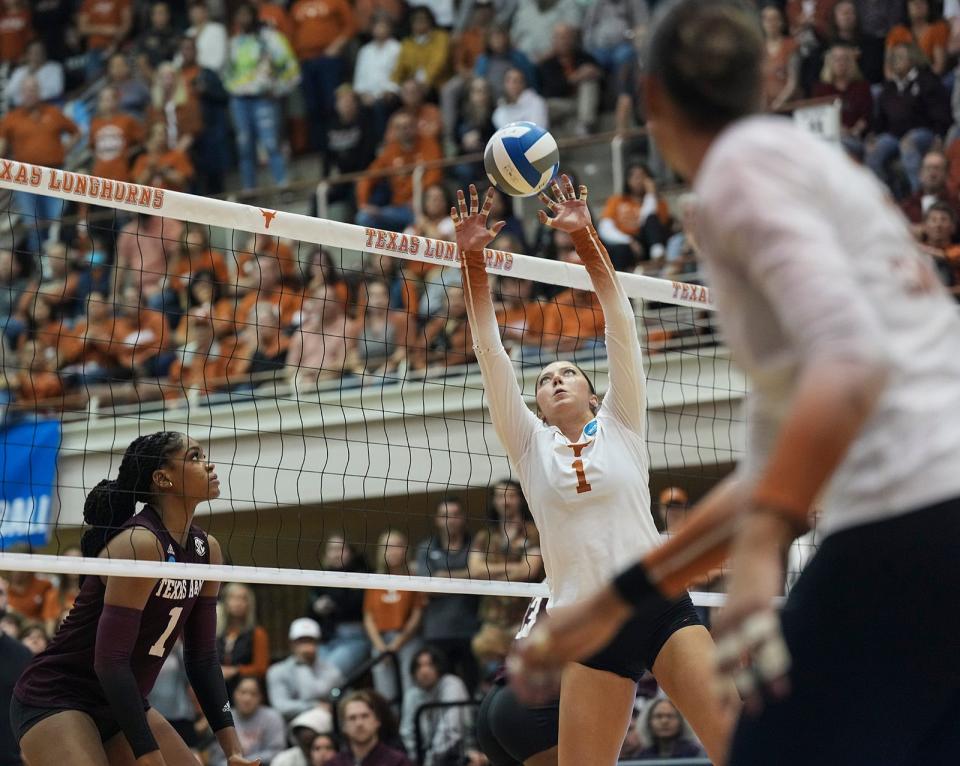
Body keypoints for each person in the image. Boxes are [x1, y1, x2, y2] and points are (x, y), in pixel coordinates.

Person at [511, 3, 960, 765]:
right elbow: (766, 467)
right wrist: (636, 594)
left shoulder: (736, 179)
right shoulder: (815, 166)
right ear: (771, 78)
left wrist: (752, 551)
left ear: (650, 99)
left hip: (907, 515)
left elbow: (848, 363)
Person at [451, 181, 733, 766]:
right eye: (544, 379)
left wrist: (583, 235)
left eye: (567, 373)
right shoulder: (529, 447)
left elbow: (618, 320)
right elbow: (489, 350)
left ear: (591, 388)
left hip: (657, 606)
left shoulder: (623, 421)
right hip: (588, 627)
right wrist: (472, 258)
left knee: (740, 743)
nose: (554, 380)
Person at [10, 431, 259, 766]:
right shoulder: (140, 544)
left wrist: (233, 750)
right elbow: (108, 663)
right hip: (60, 694)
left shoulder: (206, 550)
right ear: (163, 479)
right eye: (195, 457)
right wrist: (147, 753)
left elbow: (202, 658)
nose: (209, 464)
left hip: (123, 701)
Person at [224, 2, 300, 190]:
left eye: (246, 15)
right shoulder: (234, 43)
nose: (243, 19)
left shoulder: (270, 39)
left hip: (264, 98)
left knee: (271, 142)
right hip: (240, 100)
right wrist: (232, 89)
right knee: (244, 146)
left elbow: (291, 68)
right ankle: (249, 190)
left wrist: (279, 89)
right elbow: (226, 72)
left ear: (254, 16)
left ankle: (283, 185)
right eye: (239, 15)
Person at [414, 497, 480, 692]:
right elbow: (427, 588)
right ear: (437, 519)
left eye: (455, 515)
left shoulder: (475, 544)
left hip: (471, 629)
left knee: (472, 687)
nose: (450, 520)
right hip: (437, 631)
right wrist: (466, 578)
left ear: (463, 518)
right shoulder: (426, 548)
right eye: (444, 515)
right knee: (442, 688)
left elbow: (481, 576)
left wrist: (444, 576)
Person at [363, 529, 425, 704]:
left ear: (405, 549)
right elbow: (368, 618)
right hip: (381, 638)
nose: (392, 551)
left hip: (407, 638)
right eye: (388, 546)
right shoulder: (374, 580)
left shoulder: (413, 578)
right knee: (383, 682)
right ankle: (389, 722)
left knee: (411, 683)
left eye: (397, 546)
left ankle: (410, 727)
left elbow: (417, 613)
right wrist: (381, 646)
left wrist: (398, 642)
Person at [399, 647, 473, 766]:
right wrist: (415, 759)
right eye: (419, 666)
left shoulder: (452, 684)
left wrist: (429, 762)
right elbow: (406, 731)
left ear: (439, 667)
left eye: (430, 665)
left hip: (461, 753)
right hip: (424, 756)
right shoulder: (412, 693)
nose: (424, 671)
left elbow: (451, 731)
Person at [266, 618, 344, 721]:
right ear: (292, 644)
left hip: (328, 720)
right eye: (301, 642)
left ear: (318, 643)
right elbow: (280, 706)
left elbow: (343, 698)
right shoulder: (277, 671)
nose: (306, 647)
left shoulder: (331, 670)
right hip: (289, 724)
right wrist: (314, 706)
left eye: (310, 641)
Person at [210, 676, 287, 766]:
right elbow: (215, 759)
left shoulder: (272, 717)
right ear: (234, 694)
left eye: (253, 694)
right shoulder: (223, 717)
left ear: (261, 697)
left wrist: (244, 762)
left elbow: (276, 752)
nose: (247, 699)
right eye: (243, 692)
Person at [327, 691, 414, 766]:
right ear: (344, 726)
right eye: (352, 718)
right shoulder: (334, 764)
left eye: (365, 716)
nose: (359, 723)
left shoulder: (397, 762)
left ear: (377, 721)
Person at [218, 583, 271, 697]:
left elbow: (261, 668)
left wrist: (236, 671)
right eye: (233, 598)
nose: (238, 603)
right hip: (218, 691)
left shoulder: (257, 633)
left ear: (249, 604)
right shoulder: (217, 633)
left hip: (246, 693)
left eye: (243, 599)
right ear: (225, 602)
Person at [636, 699, 703, 760]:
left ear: (682, 721)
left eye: (670, 716)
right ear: (648, 722)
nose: (664, 721)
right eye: (658, 716)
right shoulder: (643, 756)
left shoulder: (696, 753)